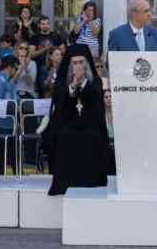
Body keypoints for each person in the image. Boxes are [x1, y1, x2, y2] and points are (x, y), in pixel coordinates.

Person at [45, 44, 109, 197]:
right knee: (65, 137)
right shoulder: (62, 82)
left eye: (81, 62)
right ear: (69, 65)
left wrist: (84, 82)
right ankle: (65, 183)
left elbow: (97, 106)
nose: (78, 66)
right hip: (68, 125)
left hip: (90, 126)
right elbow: (60, 107)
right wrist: (73, 85)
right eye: (75, 63)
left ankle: (92, 181)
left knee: (93, 137)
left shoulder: (95, 82)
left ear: (87, 64)